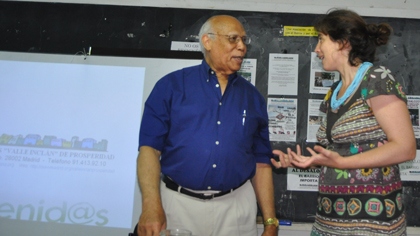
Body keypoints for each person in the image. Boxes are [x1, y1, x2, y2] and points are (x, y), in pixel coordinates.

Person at [271, 9, 416, 236]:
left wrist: (341, 163)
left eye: (321, 39)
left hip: (370, 222)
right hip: (331, 219)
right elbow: (342, 153)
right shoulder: (334, 92)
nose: (317, 49)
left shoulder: (376, 79)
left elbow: (405, 148)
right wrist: (312, 161)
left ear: (343, 42)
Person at [136, 15, 278, 236]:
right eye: (233, 39)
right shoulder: (170, 87)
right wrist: (151, 206)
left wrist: (270, 222)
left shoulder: (253, 98)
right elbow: (149, 150)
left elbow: (261, 163)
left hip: (236, 209)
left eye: (243, 40)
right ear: (207, 41)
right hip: (178, 205)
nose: (241, 47)